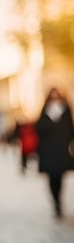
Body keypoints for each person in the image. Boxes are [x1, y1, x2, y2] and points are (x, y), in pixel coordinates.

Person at [34, 87, 74, 218]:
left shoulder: (65, 109)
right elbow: (39, 128)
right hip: (48, 150)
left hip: (61, 149)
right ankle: (55, 201)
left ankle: (59, 201)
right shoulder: (45, 110)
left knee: (60, 176)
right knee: (51, 177)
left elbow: (70, 128)